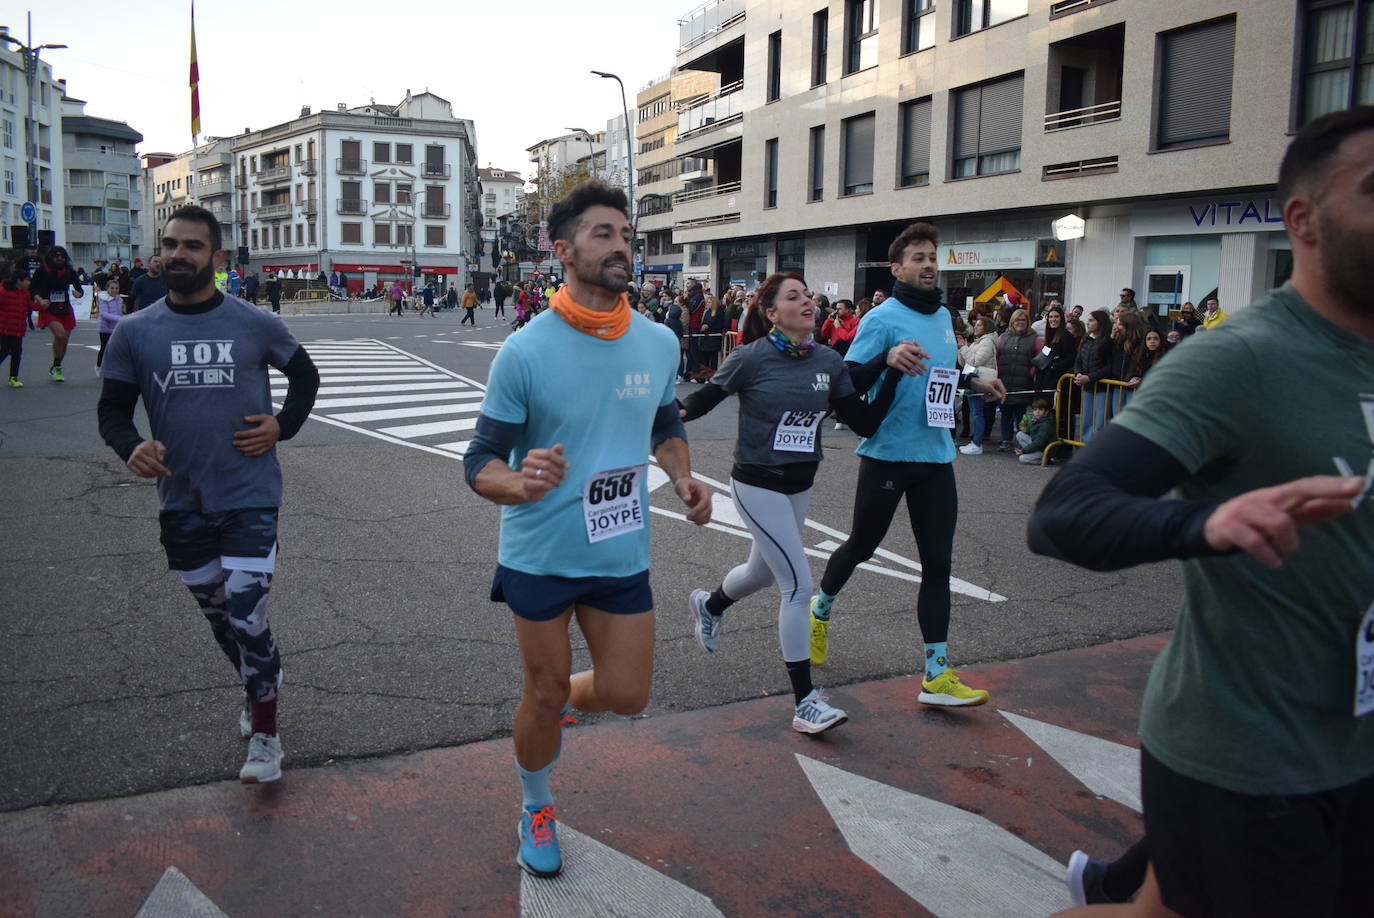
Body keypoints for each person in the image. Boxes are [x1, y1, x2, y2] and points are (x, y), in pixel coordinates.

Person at [1031, 106, 1374, 918]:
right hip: (1253, 759)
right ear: (1304, 220)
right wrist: (1205, 526)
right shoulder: (1238, 358)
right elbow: (1062, 513)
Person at [462, 181, 712, 879]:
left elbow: (665, 422)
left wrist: (684, 476)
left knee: (627, 694)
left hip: (620, 548)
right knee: (538, 694)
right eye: (604, 234)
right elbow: (478, 462)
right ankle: (536, 804)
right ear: (563, 250)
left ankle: (559, 701)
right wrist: (521, 480)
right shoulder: (525, 351)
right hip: (540, 552)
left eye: (626, 235)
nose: (622, 247)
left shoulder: (659, 341)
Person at [96, 204, 320, 785]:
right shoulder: (135, 332)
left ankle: (266, 734)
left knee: (247, 612)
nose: (179, 255)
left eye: (192, 246)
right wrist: (130, 447)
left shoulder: (254, 323)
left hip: (250, 493)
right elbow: (112, 410)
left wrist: (282, 425)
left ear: (216, 258)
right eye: (170, 244)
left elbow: (305, 375)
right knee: (220, 618)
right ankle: (260, 680)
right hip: (182, 501)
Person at [680, 271, 907, 733]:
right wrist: (663, 414)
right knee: (798, 586)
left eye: (808, 294)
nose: (808, 301)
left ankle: (711, 605)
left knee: (762, 573)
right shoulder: (750, 357)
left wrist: (893, 376)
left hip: (800, 483)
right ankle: (805, 702)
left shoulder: (826, 359)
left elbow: (861, 421)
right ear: (771, 313)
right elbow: (701, 401)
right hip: (756, 483)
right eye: (794, 296)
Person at [808, 222, 1007, 705]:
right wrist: (888, 357)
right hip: (888, 454)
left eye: (933, 257)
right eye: (918, 258)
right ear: (897, 268)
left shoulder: (942, 315)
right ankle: (821, 605)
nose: (929, 265)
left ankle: (935, 673)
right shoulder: (882, 317)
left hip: (936, 456)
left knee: (938, 564)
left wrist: (975, 378)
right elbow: (847, 377)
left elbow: (940, 371)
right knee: (861, 546)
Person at [28, 246, 83, 382]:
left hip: (65, 308)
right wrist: (40, 300)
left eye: (62, 257)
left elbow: (79, 289)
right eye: (56, 256)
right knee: (60, 334)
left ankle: (56, 365)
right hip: (48, 307)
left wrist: (78, 294)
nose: (59, 259)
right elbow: (32, 289)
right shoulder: (42, 271)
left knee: (64, 339)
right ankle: (57, 366)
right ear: (50, 257)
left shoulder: (69, 271)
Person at [995, 308, 1038, 452]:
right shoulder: (1003, 337)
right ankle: (1006, 439)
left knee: (1021, 415)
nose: (1020, 322)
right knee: (1005, 413)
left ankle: (1021, 439)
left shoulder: (1035, 339)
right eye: (1017, 320)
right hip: (1005, 381)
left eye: (1023, 320)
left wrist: (1031, 372)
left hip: (1023, 383)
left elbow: (1040, 359)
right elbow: (997, 357)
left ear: (1028, 322)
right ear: (1012, 322)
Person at [958, 316, 999, 455]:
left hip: (980, 381)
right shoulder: (978, 342)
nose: (975, 327)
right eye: (976, 324)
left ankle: (977, 443)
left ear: (986, 328)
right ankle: (975, 442)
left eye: (979, 325)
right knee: (976, 413)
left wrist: (964, 348)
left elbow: (975, 361)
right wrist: (962, 348)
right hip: (974, 379)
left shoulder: (987, 342)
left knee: (977, 414)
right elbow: (965, 363)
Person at [1071, 309, 1113, 442]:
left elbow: (1110, 366)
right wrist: (1078, 373)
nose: (1088, 323)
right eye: (1088, 320)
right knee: (1086, 420)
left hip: (1102, 387)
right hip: (1087, 387)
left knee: (1100, 422)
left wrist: (1089, 377)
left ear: (1100, 322)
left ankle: (1096, 450)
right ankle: (1086, 447)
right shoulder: (1086, 339)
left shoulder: (1108, 341)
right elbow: (1078, 360)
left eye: (1091, 320)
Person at [0, 268, 35, 387]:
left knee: (17, 353)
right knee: (4, 352)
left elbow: (30, 305)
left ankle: (13, 377)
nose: (28, 283)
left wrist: (42, 306)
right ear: (18, 281)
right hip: (5, 328)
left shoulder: (25, 293)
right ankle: (13, 377)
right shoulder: (4, 292)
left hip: (18, 329)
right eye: (26, 280)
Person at [1013, 397, 1056, 465]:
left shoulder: (1046, 424)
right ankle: (1032, 454)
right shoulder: (1036, 419)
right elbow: (1034, 436)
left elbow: (1039, 443)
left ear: (1046, 412)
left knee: (1022, 458)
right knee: (1020, 434)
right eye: (1035, 409)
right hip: (1039, 446)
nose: (1037, 412)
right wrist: (1026, 431)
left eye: (1041, 410)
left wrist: (1023, 451)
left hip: (1044, 450)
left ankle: (1045, 460)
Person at [95, 278, 125, 370]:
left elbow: (120, 312)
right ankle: (99, 366)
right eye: (112, 288)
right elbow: (104, 314)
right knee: (104, 348)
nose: (114, 290)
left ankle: (112, 366)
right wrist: (120, 318)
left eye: (116, 288)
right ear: (107, 289)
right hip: (105, 328)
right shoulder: (103, 299)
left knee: (116, 348)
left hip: (116, 328)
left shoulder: (119, 300)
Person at [697, 295, 728, 377]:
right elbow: (704, 322)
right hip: (706, 338)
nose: (708, 303)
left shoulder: (719, 311)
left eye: (710, 302)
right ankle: (705, 376)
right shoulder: (708, 312)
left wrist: (708, 326)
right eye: (707, 302)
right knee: (705, 359)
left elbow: (720, 325)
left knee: (713, 359)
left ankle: (712, 376)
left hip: (714, 338)